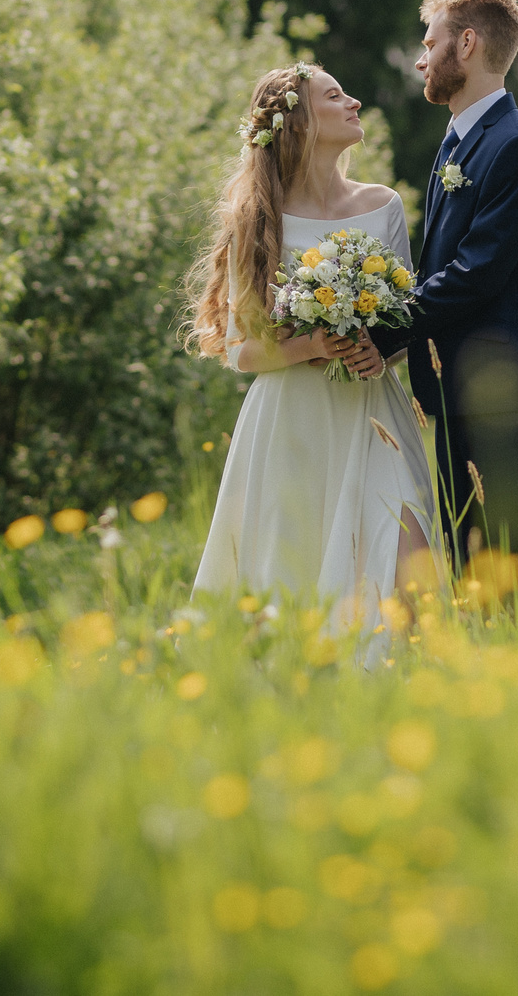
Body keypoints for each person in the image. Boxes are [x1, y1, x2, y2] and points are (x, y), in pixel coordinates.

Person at [184, 62, 438, 641]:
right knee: (295, 574)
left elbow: (401, 317)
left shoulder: (384, 205)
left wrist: (382, 352)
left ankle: (410, 689)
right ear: (300, 122)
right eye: (335, 95)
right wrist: (311, 344)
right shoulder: (257, 219)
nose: (353, 102)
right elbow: (241, 352)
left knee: (409, 568)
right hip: (292, 422)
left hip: (374, 416)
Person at [363, 0, 518, 620]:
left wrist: (375, 335)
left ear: (468, 42)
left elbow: (474, 273)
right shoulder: (456, 143)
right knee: (475, 576)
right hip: (459, 395)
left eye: (430, 43)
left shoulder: (517, 144)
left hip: (510, 396)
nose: (421, 60)